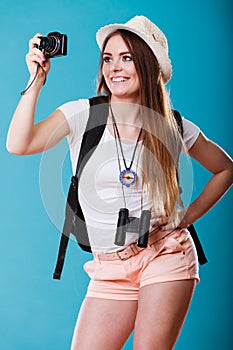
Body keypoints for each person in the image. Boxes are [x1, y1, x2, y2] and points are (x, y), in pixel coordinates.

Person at [7, 15, 233, 350]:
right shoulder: (81, 115)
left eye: (127, 58)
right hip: (109, 268)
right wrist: (36, 81)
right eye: (108, 58)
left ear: (148, 66)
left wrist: (186, 218)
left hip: (164, 254)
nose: (115, 67)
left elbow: (225, 169)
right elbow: (18, 144)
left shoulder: (172, 125)